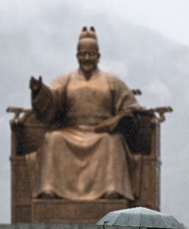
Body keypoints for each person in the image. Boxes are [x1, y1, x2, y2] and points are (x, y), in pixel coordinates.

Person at [28, 26, 142, 201]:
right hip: (71, 131)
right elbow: (51, 98)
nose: (87, 58)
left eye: (91, 54)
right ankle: (49, 190)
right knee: (52, 139)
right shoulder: (65, 79)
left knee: (113, 142)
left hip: (101, 132)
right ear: (77, 56)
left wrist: (117, 118)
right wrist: (39, 91)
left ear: (98, 56)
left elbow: (132, 106)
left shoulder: (112, 82)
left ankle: (111, 190)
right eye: (83, 54)